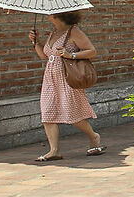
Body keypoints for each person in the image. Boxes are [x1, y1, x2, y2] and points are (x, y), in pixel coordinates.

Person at [31, 10, 102, 160]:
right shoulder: (54, 32)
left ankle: (94, 137)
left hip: (68, 78)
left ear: (59, 15)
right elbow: (45, 56)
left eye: (50, 12)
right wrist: (36, 42)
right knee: (48, 112)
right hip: (51, 78)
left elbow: (92, 51)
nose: (47, 14)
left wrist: (71, 55)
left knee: (73, 113)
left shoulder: (73, 32)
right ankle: (54, 150)